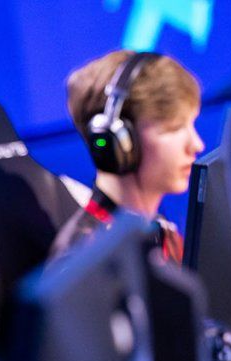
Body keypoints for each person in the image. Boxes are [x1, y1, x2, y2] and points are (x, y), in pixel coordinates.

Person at [50, 50, 205, 263]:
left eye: (191, 124)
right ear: (120, 140)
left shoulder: (165, 237)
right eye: (174, 128)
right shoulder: (83, 261)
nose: (197, 145)